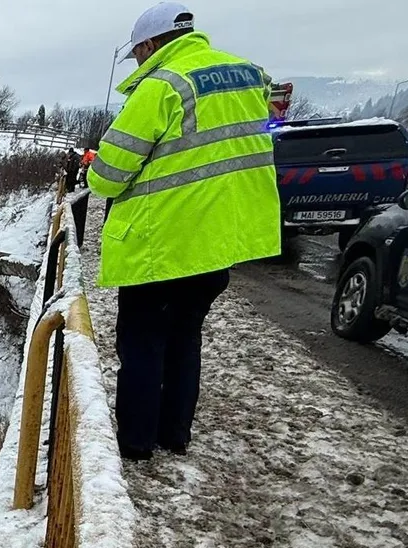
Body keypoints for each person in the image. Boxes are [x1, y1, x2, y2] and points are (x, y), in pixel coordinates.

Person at [87, 2, 279, 461]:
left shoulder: (162, 85)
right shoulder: (248, 77)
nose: (137, 61)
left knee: (142, 342)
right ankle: (175, 435)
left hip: (162, 244)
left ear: (152, 44)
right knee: (185, 337)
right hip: (218, 244)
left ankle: (135, 443)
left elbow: (108, 176)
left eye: (137, 52)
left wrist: (94, 165)